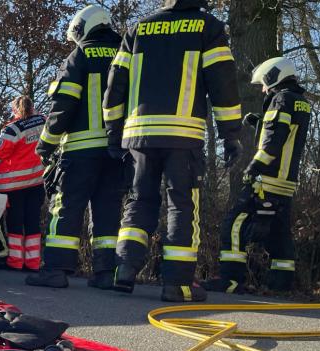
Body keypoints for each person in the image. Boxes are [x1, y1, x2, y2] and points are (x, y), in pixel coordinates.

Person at [103, 0, 242, 302]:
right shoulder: (207, 27)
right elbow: (223, 82)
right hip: (183, 134)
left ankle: (125, 270)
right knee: (181, 203)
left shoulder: (138, 28)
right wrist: (231, 134)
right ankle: (177, 284)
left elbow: (115, 85)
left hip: (138, 133)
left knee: (140, 199)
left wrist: (114, 132)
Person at [27, 5, 128, 289]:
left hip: (81, 151)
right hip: (117, 152)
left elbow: (63, 106)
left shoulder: (80, 56)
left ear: (83, 27)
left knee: (66, 208)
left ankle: (56, 270)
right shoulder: (127, 55)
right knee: (108, 211)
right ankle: (105, 273)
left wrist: (46, 145)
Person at [203, 57, 311, 294]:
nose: (263, 89)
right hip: (285, 183)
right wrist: (260, 123)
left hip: (266, 181)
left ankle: (230, 281)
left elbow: (274, 142)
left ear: (274, 76)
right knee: (278, 234)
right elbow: (285, 134)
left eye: (264, 83)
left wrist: (254, 167)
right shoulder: (300, 102)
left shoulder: (280, 99)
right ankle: (281, 287)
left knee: (234, 225)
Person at [0, 97, 47, 271]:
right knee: (33, 222)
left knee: (16, 223)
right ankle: (33, 262)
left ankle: (16, 262)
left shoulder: (12, 129)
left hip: (14, 186)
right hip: (37, 181)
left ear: (15, 109)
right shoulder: (43, 120)